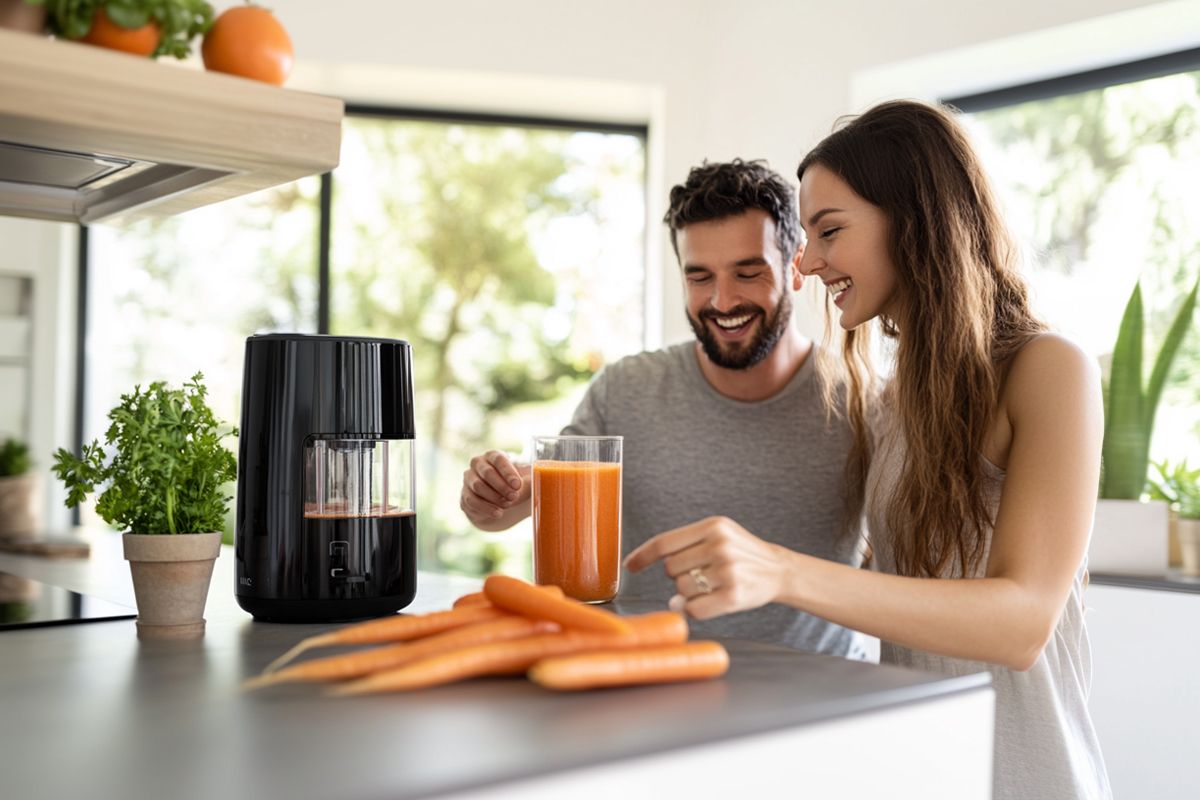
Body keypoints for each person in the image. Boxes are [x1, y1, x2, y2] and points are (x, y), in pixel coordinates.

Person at [626, 101, 1111, 799]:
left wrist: (784, 572)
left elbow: (1020, 623)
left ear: (913, 221)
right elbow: (898, 595)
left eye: (829, 231)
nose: (807, 260)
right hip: (912, 764)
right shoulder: (890, 399)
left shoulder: (1049, 367)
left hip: (1022, 773)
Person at [461, 159, 869, 658]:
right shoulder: (626, 388)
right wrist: (495, 497)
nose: (722, 300)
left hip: (817, 703)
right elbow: (529, 499)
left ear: (796, 266)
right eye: (699, 277)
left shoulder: (865, 404)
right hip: (642, 682)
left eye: (747, 272)